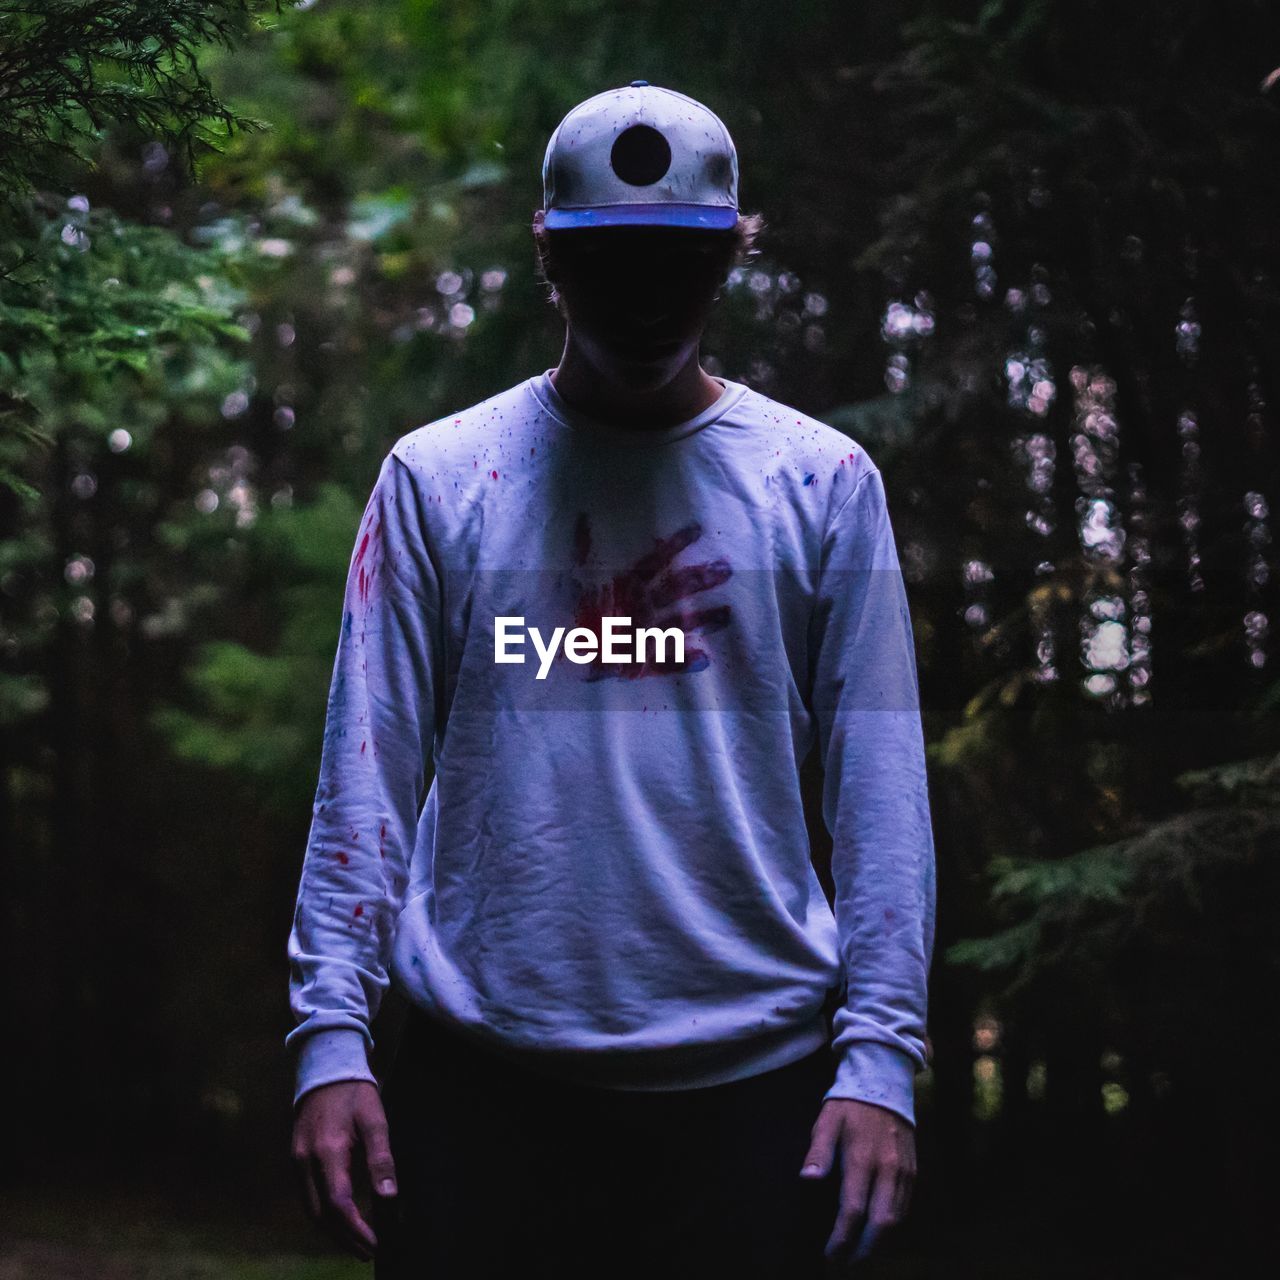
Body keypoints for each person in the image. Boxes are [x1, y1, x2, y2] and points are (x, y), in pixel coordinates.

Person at [288, 81, 936, 1277]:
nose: (643, 298)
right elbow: (363, 776)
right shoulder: (438, 480)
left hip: (753, 1102)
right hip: (479, 1089)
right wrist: (332, 1036)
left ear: (731, 256)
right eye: (610, 262)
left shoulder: (820, 483)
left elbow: (879, 787)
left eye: (675, 263)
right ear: (549, 253)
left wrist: (881, 1055)